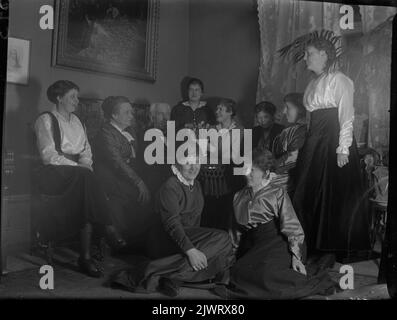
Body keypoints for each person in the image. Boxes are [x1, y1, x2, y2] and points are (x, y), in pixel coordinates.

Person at [280, 31, 371, 263]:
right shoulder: (312, 84)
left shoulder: (339, 80)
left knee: (332, 193)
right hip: (315, 141)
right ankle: (306, 243)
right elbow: (311, 118)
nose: (305, 58)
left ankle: (329, 247)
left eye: (309, 54)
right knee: (304, 189)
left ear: (323, 54)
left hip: (333, 141)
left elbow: (346, 116)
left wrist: (342, 149)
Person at [110, 150, 234, 297]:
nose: (193, 167)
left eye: (196, 162)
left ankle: (172, 277)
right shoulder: (170, 187)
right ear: (175, 168)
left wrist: (199, 246)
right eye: (187, 163)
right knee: (223, 239)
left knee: (223, 248)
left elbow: (195, 222)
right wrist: (191, 251)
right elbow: (172, 224)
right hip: (164, 240)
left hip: (185, 237)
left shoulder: (197, 185)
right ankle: (152, 271)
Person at [34, 80, 126, 278]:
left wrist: (85, 165)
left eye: (77, 96)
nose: (77, 101)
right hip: (54, 173)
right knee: (87, 177)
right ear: (59, 98)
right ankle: (109, 228)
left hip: (78, 176)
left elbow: (86, 151)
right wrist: (80, 168)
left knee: (88, 185)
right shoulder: (46, 120)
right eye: (72, 97)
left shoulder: (77, 121)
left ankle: (85, 257)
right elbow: (48, 156)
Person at [216, 150, 336, 299]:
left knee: (267, 275)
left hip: (280, 242)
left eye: (252, 170)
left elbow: (292, 227)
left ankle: (318, 281)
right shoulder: (238, 197)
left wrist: (296, 256)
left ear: (265, 172)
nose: (247, 174)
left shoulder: (277, 193)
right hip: (256, 245)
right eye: (245, 169)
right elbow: (234, 232)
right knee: (239, 272)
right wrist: (231, 259)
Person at [93, 96, 151, 245]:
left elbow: (137, 158)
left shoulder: (130, 130)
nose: (131, 116)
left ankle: (138, 236)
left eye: (131, 112)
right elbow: (116, 161)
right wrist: (138, 182)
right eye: (127, 113)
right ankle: (117, 236)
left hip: (126, 173)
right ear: (114, 115)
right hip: (109, 174)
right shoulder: (105, 132)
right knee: (125, 193)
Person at [199, 99, 245, 231]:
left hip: (228, 178)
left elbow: (232, 156)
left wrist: (212, 149)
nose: (216, 111)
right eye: (217, 108)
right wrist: (202, 136)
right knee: (208, 210)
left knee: (224, 212)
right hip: (210, 177)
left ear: (230, 112)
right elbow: (203, 151)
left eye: (221, 109)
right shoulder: (212, 128)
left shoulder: (239, 130)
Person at [271, 93, 307, 195]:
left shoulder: (300, 131)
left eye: (288, 107)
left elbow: (294, 156)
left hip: (288, 181)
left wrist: (270, 169)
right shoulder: (293, 130)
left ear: (300, 110)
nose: (284, 111)